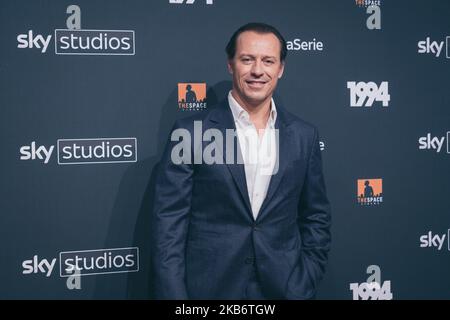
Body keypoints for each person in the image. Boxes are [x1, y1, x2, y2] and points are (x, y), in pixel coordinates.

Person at [152, 22, 331, 299]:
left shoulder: (304, 135)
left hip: (284, 290)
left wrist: (304, 281)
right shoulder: (191, 133)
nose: (258, 70)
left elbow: (315, 216)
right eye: (247, 59)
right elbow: (169, 230)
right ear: (230, 64)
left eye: (268, 61)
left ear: (280, 69)